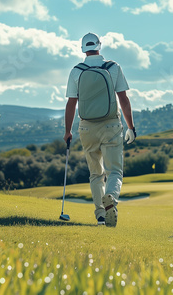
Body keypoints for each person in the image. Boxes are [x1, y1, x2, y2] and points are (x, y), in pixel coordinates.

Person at [64, 32, 136, 227]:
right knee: (115, 171)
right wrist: (131, 127)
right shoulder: (113, 67)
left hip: (86, 127)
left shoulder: (76, 71)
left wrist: (67, 131)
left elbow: (71, 104)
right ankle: (111, 197)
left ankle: (100, 216)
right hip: (111, 124)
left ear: (82, 49)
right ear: (99, 46)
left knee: (96, 173)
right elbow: (124, 100)